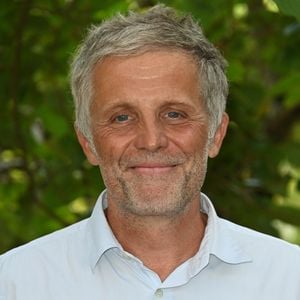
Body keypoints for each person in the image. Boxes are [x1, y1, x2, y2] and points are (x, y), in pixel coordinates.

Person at [0, 4, 299, 300]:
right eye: (122, 117)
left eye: (174, 114)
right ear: (88, 142)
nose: (151, 140)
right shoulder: (15, 283)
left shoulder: (289, 279)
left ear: (216, 135)